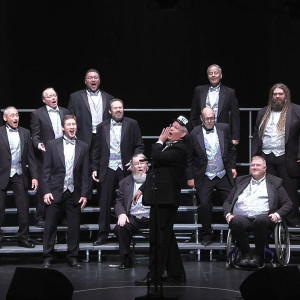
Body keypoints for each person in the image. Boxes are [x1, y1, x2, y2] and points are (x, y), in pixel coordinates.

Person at [135, 115, 189, 286]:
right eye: (170, 126)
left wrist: (159, 141)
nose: (170, 129)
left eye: (175, 128)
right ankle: (176, 273)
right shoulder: (169, 147)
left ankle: (155, 274)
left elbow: (157, 158)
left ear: (182, 134)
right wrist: (142, 189)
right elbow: (156, 171)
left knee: (159, 238)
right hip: (158, 197)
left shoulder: (180, 148)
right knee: (166, 237)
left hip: (166, 199)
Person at [223, 156, 293, 268]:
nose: (255, 167)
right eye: (253, 165)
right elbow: (228, 201)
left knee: (260, 220)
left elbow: (288, 204)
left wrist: (277, 214)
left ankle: (259, 256)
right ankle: (246, 254)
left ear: (265, 168)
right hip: (244, 217)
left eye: (258, 165)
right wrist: (228, 214)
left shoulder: (275, 183)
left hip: (264, 218)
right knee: (235, 221)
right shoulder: (241, 181)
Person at [92, 99, 144, 245]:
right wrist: (94, 168)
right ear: (110, 111)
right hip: (108, 168)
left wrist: (134, 160)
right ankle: (103, 234)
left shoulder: (132, 124)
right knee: (105, 202)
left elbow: (139, 145)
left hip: (125, 168)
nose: (118, 110)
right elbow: (97, 149)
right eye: (115, 108)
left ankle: (125, 231)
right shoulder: (102, 127)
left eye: (120, 107)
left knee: (127, 200)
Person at [41, 115, 89, 269]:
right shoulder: (52, 145)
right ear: (63, 127)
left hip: (74, 191)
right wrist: (46, 191)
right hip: (55, 191)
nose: (72, 127)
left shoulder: (83, 146)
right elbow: (45, 171)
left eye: (74, 124)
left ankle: (73, 256)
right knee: (50, 226)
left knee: (74, 226)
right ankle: (48, 256)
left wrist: (84, 194)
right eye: (68, 124)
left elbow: (85, 173)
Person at [187, 107, 237, 246]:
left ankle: (233, 234)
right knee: (204, 204)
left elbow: (232, 150)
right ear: (201, 118)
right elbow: (189, 158)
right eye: (207, 118)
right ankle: (207, 234)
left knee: (232, 201)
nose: (210, 121)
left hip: (222, 173)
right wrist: (190, 177)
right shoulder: (193, 134)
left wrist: (232, 166)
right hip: (205, 175)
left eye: (212, 118)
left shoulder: (224, 128)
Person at [252, 83, 300, 227]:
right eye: (275, 94)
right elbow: (256, 135)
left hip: (287, 157)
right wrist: (255, 155)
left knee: (289, 190)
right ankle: (272, 223)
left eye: (280, 94)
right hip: (267, 157)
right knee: (270, 191)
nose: (277, 96)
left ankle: (292, 222)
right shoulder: (263, 112)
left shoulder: (296, 110)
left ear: (286, 95)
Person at [68, 68, 114, 201]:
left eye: (95, 77)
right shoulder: (75, 96)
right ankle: (82, 200)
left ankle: (103, 201)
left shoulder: (109, 97)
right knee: (83, 167)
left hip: (102, 137)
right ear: (85, 81)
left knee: (102, 165)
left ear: (99, 80)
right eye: (90, 77)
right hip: (83, 137)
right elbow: (70, 117)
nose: (93, 79)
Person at [30, 87, 69, 227]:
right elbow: (35, 134)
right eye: (50, 96)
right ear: (44, 100)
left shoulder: (65, 111)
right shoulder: (37, 114)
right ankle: (40, 216)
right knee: (44, 184)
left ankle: (62, 216)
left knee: (64, 184)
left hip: (64, 153)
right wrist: (38, 144)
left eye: (55, 95)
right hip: (46, 154)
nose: (53, 98)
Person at [0, 107, 38, 248]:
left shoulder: (25, 133)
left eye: (17, 115)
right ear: (5, 118)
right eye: (12, 115)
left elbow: (31, 157)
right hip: (2, 173)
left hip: (19, 173)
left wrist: (34, 176)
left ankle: (23, 237)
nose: (15, 118)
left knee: (23, 208)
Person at [113, 153, 150, 269]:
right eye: (136, 164)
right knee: (121, 227)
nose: (139, 166)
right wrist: (122, 214)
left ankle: (160, 261)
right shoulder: (125, 182)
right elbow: (119, 202)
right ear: (132, 167)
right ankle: (126, 259)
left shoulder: (154, 180)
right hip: (133, 216)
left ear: (147, 165)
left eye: (142, 163)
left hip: (151, 216)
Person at [190, 64, 240, 145]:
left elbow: (235, 117)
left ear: (221, 75)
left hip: (222, 132)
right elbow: (194, 114)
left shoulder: (229, 92)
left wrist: (235, 137)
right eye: (210, 73)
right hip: (202, 132)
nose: (213, 75)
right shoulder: (199, 90)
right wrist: (195, 130)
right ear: (208, 76)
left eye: (216, 73)